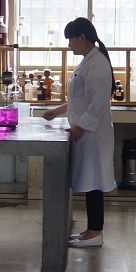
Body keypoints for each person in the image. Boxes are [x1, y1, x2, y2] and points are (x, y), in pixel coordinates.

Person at [42, 17, 116, 248]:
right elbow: (79, 99)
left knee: (94, 182)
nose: (69, 44)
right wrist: (57, 111)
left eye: (70, 39)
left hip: (93, 134)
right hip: (87, 133)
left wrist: (80, 127)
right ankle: (91, 230)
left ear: (82, 38)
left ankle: (95, 232)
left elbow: (99, 102)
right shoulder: (88, 61)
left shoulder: (97, 64)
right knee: (90, 180)